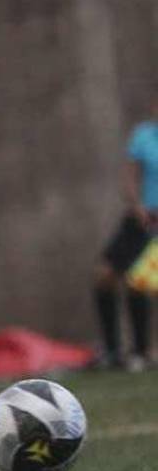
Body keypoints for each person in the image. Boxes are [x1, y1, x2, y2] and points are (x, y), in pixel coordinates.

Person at [89, 93, 158, 372]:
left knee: (139, 281)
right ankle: (112, 349)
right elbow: (130, 175)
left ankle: (141, 351)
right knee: (104, 275)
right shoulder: (144, 136)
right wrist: (136, 204)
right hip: (140, 219)